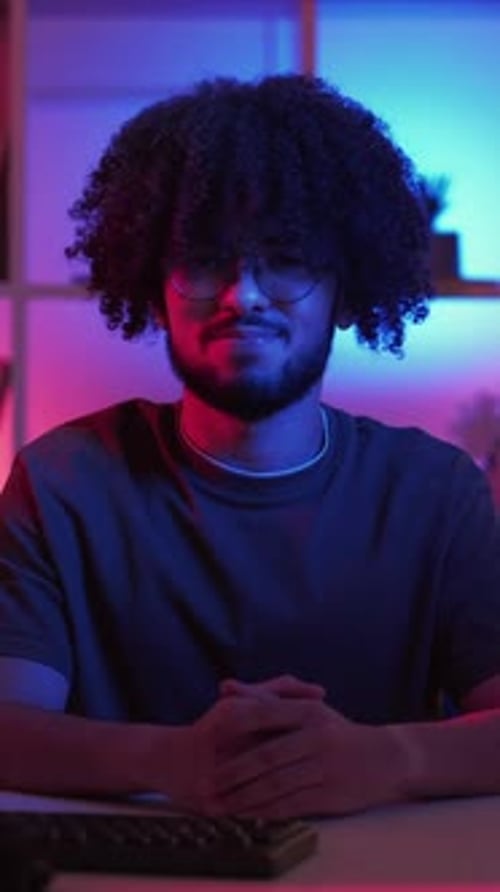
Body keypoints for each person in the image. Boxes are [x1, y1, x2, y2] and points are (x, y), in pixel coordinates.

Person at [1, 73, 500, 820]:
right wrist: (171, 761)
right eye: (205, 260)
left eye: (287, 258)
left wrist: (380, 759)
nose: (244, 295)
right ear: (152, 284)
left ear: (346, 287)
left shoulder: (434, 493)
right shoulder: (65, 483)